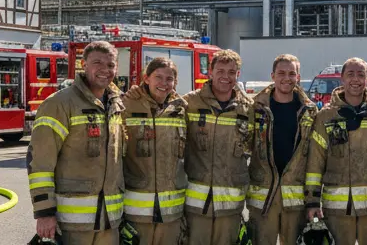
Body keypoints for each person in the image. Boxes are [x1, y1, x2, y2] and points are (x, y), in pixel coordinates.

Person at [28, 41, 125, 245]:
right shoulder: (59, 103)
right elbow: (40, 164)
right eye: (97, 63)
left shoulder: (117, 105)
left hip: (110, 222)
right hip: (72, 225)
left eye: (110, 65)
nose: (105, 70)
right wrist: (44, 213)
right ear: (83, 64)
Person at [305, 57, 367, 245]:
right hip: (336, 208)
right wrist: (312, 201)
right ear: (342, 79)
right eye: (350, 74)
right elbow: (315, 162)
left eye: (361, 75)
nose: (356, 79)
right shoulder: (326, 116)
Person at [247, 54, 320, 245]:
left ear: (298, 77)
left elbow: (315, 159)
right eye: (281, 73)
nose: (286, 78)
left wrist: (313, 200)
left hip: (295, 201)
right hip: (263, 199)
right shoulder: (255, 109)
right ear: (272, 75)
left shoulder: (310, 112)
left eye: (291, 73)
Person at [183, 49, 254, 245]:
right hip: (196, 205)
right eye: (220, 71)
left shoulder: (248, 108)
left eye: (231, 72)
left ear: (237, 75)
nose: (226, 77)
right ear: (210, 72)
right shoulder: (189, 103)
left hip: (231, 205)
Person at [122, 57, 189, 245]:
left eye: (169, 79)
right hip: (135, 211)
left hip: (171, 212)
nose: (164, 83)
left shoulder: (182, 109)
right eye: (158, 77)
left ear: (175, 83)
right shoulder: (126, 106)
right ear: (146, 78)